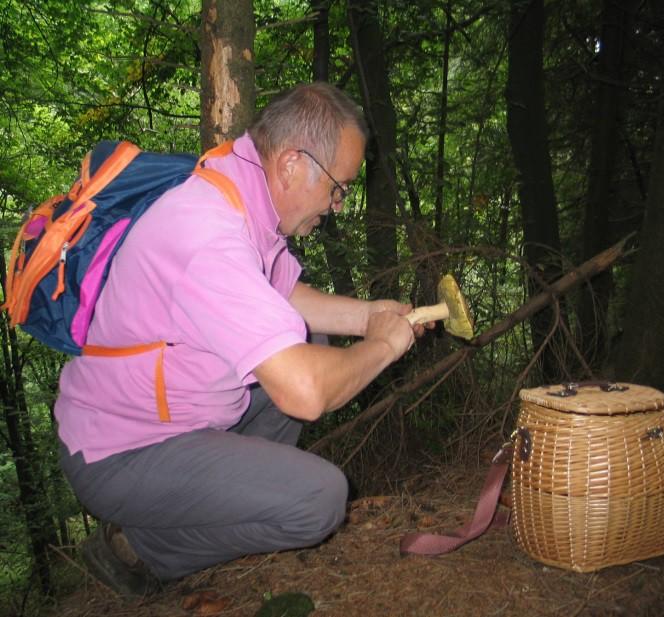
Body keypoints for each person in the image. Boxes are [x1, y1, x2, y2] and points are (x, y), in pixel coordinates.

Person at [56, 82, 423, 597]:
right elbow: (307, 393)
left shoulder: (238, 188)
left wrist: (373, 318)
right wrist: (385, 346)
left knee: (306, 333)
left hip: (178, 418)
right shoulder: (208, 235)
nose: (338, 205)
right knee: (319, 499)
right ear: (294, 164)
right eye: (338, 187)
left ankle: (227, 494)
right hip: (123, 452)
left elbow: (288, 296)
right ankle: (141, 548)